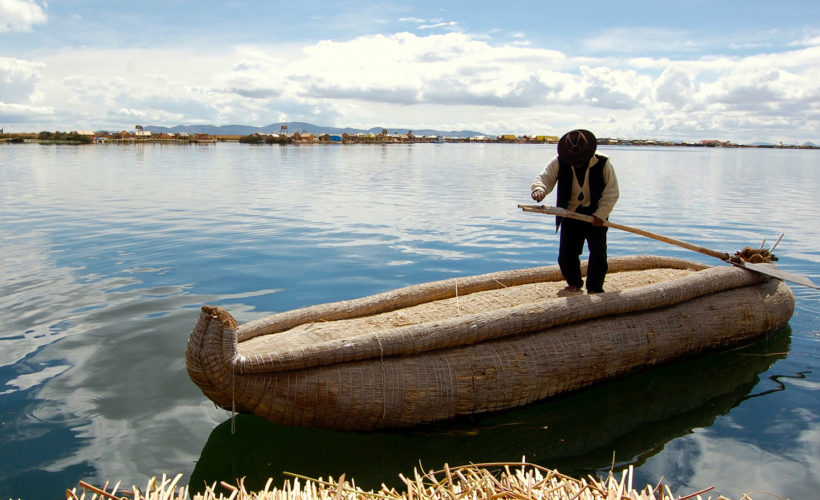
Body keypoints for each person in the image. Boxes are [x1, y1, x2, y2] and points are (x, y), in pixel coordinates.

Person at [530, 129, 619, 294]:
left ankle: (595, 287)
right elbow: (544, 178)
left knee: (598, 253)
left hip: (596, 215)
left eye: (580, 159)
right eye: (574, 159)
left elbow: (611, 192)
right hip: (570, 213)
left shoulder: (603, 162)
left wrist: (600, 214)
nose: (577, 162)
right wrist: (539, 189)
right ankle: (574, 282)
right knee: (566, 254)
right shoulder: (559, 161)